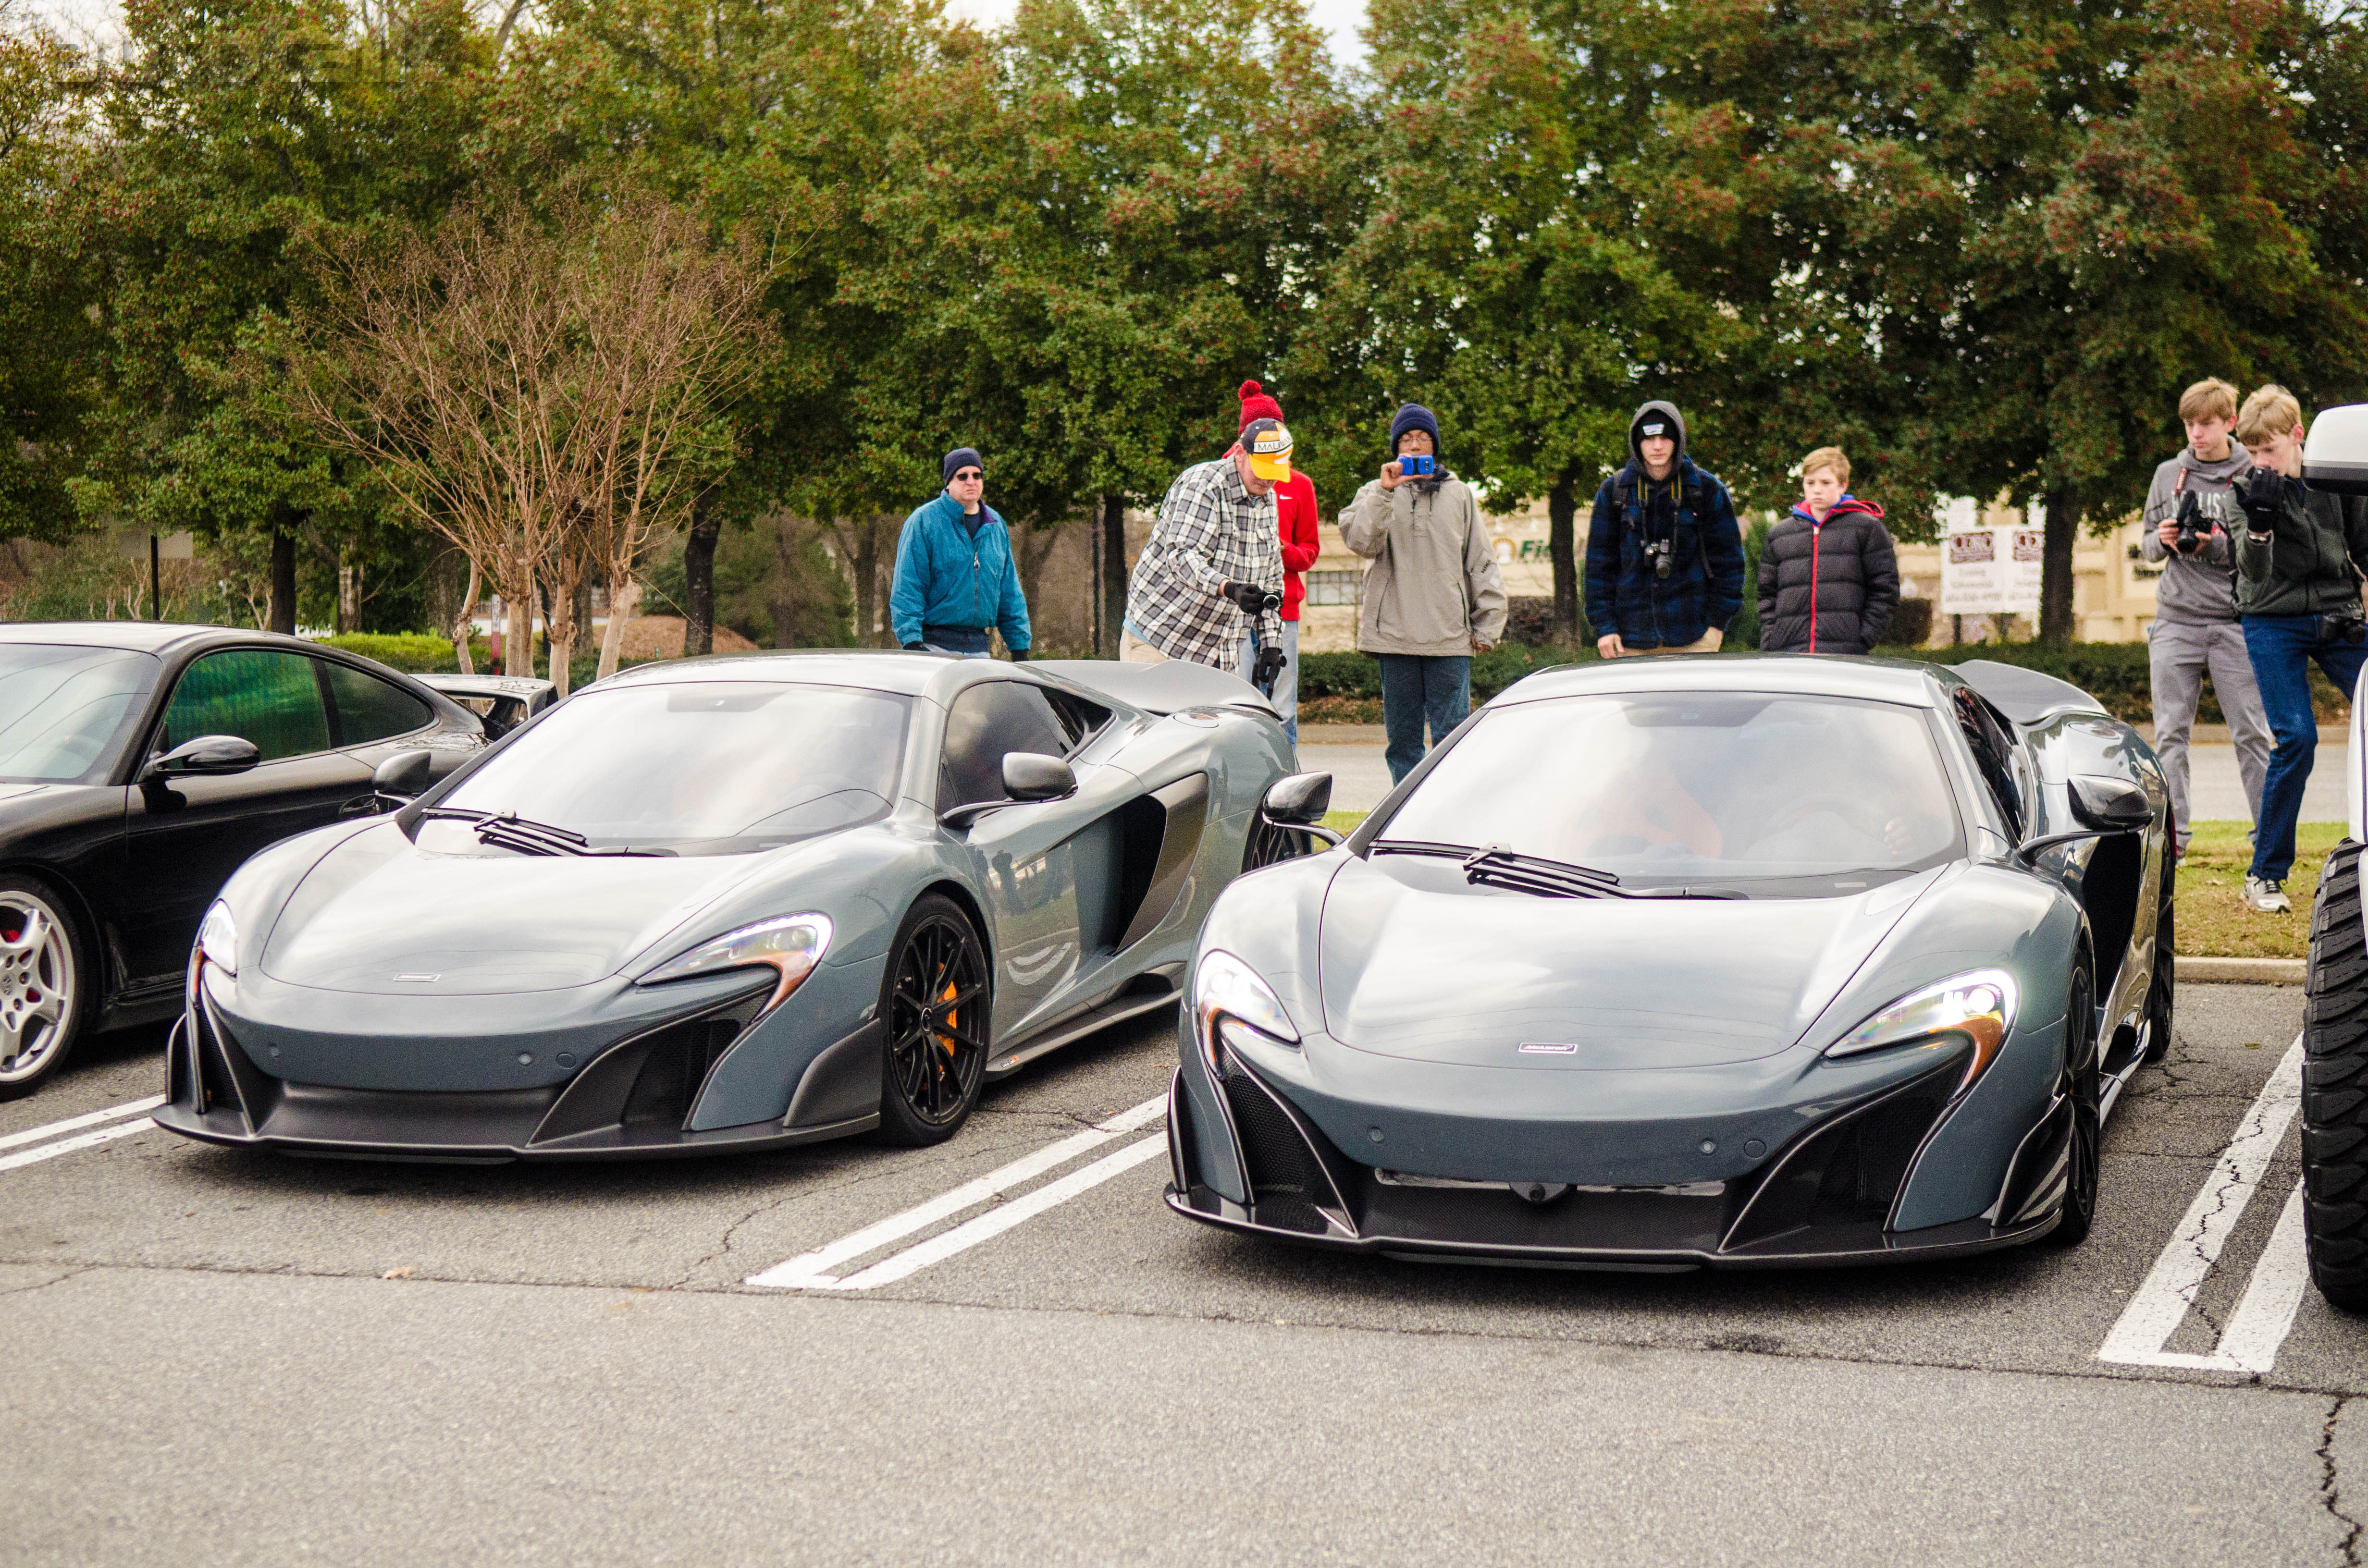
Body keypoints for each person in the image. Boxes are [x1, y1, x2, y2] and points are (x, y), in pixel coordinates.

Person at [2231, 386, 2368, 914]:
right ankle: (2263, 874)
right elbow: (2253, 572)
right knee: (2296, 738)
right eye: (2252, 453)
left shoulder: (2334, 482)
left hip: (2336, 614)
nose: (2259, 463)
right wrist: (2260, 527)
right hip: (2270, 619)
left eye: (2267, 451)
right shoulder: (2240, 490)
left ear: (2296, 436)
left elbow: (2364, 548)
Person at [1340, 403, 1509, 783]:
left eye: (1423, 439)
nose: (1415, 447)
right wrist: (1385, 493)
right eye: (1406, 440)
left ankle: (1448, 817)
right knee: (1403, 744)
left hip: (1448, 637)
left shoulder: (1460, 494)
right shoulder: (1374, 491)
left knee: (1452, 742)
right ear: (1396, 449)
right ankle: (1405, 821)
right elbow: (1361, 542)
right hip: (1394, 638)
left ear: (1435, 447)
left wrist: (1488, 625)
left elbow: (1481, 560)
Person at [2141, 378, 2273, 862]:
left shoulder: (2251, 472)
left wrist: (2212, 543)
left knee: (2252, 735)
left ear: (2229, 423)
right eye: (2188, 424)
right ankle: (2171, 845)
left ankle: (2267, 843)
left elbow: (2260, 552)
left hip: (2234, 620)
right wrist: (2165, 536)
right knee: (2169, 734)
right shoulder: (2167, 474)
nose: (2195, 434)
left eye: (2206, 424)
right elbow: (2147, 547)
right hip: (2175, 618)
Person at [1123, 419, 1289, 681]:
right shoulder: (1203, 485)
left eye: (1275, 472)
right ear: (1239, 453)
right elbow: (1182, 556)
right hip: (1161, 641)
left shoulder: (1267, 499)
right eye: (1262, 469)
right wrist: (1230, 589)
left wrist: (1270, 644)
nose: (1269, 479)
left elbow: (1270, 576)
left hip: (1219, 654)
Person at [1585, 400, 1747, 658]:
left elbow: (1730, 564)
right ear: (1637, 443)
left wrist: (1717, 625)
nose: (1658, 446)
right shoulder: (1614, 492)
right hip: (1629, 639)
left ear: (1678, 440)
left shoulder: (1706, 490)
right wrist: (1604, 627)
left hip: (1695, 635)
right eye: (1649, 439)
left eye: (1665, 438)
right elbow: (1598, 568)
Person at [1232, 381, 1320, 743]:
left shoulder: (1298, 484)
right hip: (1234, 607)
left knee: (1282, 706)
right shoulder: (1223, 477)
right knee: (1236, 701)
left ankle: (1287, 786)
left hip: (1283, 608)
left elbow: (1310, 552)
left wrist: (1280, 548)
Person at [889, 447, 1031, 659]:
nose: (971, 481)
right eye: (962, 476)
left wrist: (1019, 646)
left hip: (980, 650)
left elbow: (1010, 590)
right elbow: (908, 586)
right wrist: (912, 642)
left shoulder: (996, 525)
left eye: (977, 475)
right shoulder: (924, 522)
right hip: (933, 649)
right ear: (949, 482)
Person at [1757, 447, 1899, 655]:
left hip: (1844, 654)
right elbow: (1766, 595)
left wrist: (1863, 639)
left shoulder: (1867, 529)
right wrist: (1772, 639)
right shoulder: (1780, 534)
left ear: (1843, 485)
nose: (1817, 490)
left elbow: (1885, 590)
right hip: (1788, 653)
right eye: (1810, 483)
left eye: (1826, 483)